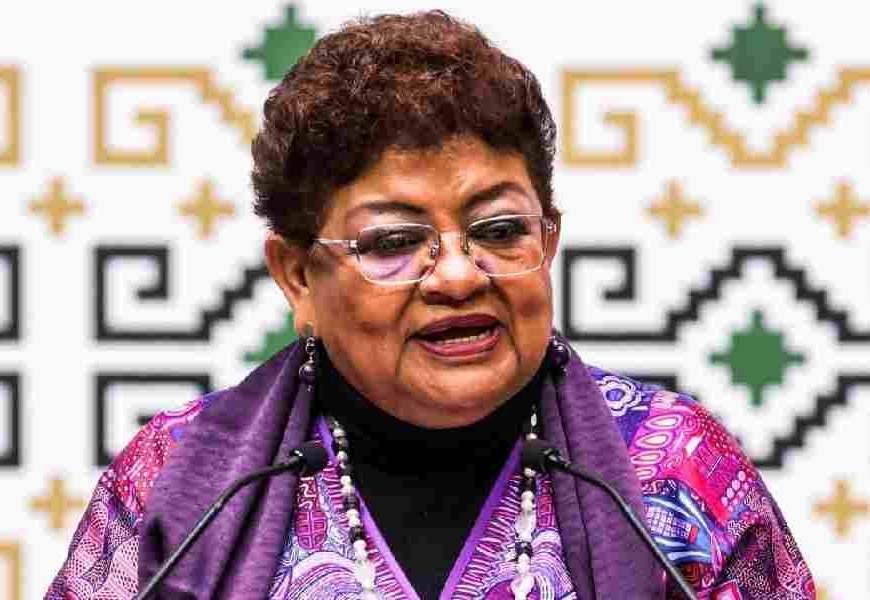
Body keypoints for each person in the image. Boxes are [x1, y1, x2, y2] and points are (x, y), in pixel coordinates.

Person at [47, 11, 814, 600]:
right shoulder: (183, 477)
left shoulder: (672, 466)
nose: (455, 276)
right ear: (298, 277)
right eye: (393, 241)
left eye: (500, 230)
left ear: (549, 239)